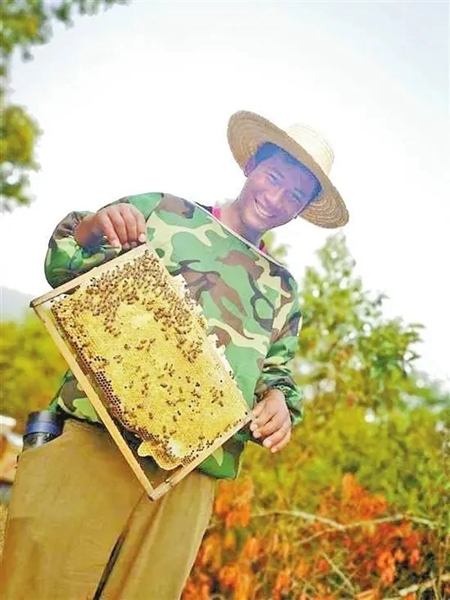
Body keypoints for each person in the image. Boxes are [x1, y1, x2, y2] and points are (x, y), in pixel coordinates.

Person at [1, 110, 349, 599]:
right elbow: (65, 265)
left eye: (294, 195)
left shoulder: (283, 290)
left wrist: (279, 405)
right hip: (94, 440)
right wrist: (94, 229)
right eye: (273, 177)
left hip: (186, 482)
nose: (275, 199)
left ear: (302, 210)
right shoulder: (163, 213)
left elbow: (276, 377)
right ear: (252, 165)